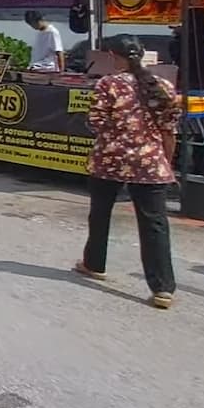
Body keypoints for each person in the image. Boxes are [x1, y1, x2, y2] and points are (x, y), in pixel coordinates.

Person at [75, 34, 179, 309]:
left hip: (110, 159)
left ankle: (94, 263)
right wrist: (166, 163)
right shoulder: (164, 86)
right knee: (154, 224)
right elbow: (169, 131)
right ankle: (162, 288)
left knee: (100, 213)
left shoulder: (108, 84)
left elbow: (95, 122)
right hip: (150, 162)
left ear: (113, 57)